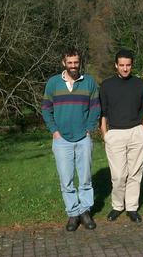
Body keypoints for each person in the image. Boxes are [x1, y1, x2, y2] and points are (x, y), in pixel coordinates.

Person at [41, 47, 101, 231]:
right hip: (61, 140)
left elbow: (96, 108)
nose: (73, 66)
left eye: (76, 62)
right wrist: (54, 130)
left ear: (79, 62)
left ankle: (85, 212)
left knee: (85, 178)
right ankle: (73, 214)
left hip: (83, 138)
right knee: (66, 179)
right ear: (63, 63)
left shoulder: (89, 82)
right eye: (70, 63)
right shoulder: (53, 83)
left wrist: (89, 129)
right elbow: (45, 108)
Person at [100, 49, 143, 223]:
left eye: (128, 65)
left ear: (132, 65)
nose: (125, 68)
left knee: (135, 173)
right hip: (115, 134)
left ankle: (132, 208)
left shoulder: (140, 84)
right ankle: (117, 206)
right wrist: (106, 135)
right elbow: (103, 113)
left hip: (137, 132)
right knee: (119, 175)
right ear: (116, 65)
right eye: (121, 65)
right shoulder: (106, 85)